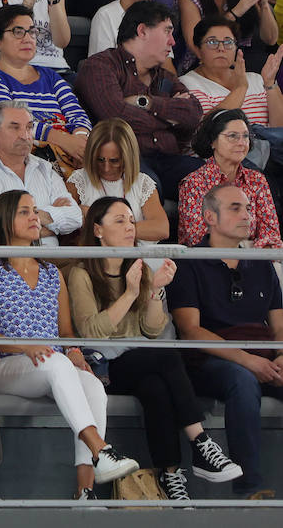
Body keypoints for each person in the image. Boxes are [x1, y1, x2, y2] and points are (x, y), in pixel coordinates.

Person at [68, 195, 243, 501]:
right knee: (165, 356)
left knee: (155, 388)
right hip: (106, 366)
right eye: (119, 221)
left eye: (131, 221)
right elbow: (91, 330)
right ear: (97, 230)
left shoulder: (139, 268)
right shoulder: (82, 273)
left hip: (143, 361)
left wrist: (154, 290)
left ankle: (171, 476)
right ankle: (200, 441)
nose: (129, 228)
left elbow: (151, 329)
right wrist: (132, 292)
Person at [0, 189, 139, 500]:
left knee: (93, 386)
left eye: (35, 210)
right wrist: (27, 348)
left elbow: (65, 331)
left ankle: (85, 491)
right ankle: (101, 450)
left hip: (48, 364)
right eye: (24, 212)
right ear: (4, 219)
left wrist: (74, 351)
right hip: (3, 364)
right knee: (55, 361)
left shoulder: (51, 273)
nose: (35, 216)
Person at [168, 182, 283, 498]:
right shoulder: (189, 263)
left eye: (248, 208)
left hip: (263, 355)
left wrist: (281, 356)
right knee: (241, 381)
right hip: (211, 359)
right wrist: (248, 360)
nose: (247, 215)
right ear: (209, 217)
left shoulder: (262, 264)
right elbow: (191, 331)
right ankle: (249, 490)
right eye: (236, 208)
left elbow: (279, 326)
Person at [73, 0, 205, 201]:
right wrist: (169, 119)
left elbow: (194, 115)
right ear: (142, 31)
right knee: (148, 188)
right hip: (123, 159)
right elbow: (117, 118)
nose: (173, 41)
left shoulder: (165, 77)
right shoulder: (100, 66)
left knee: (212, 180)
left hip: (168, 159)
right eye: (167, 31)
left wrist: (147, 103)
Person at [0, 5, 90, 156]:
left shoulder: (51, 76)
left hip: (63, 157)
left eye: (32, 32)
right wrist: (64, 141)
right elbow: (9, 124)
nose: (28, 39)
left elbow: (77, 114)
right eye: (18, 32)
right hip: (7, 164)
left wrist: (79, 141)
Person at [0, 100, 82, 246]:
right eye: (15, 128)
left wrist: (24, 220)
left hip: (50, 264)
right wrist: (51, 222)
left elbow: (76, 217)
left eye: (29, 127)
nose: (25, 136)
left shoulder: (45, 168)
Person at [177, 107, 282, 250]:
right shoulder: (194, 183)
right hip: (207, 264)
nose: (241, 142)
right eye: (232, 136)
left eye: (245, 136)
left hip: (254, 261)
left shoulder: (257, 180)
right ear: (212, 141)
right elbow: (197, 237)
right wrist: (243, 247)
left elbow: (271, 235)